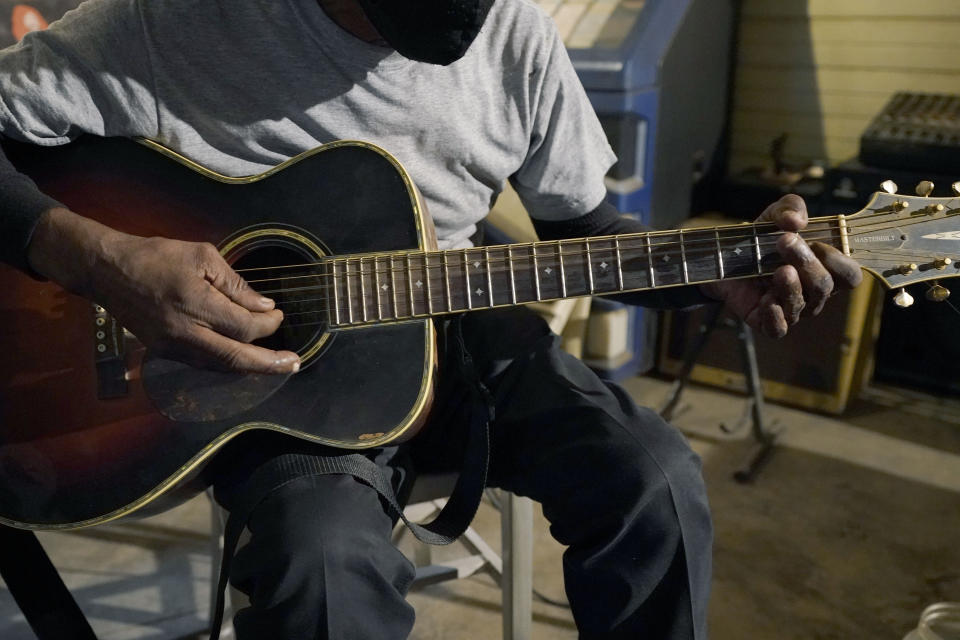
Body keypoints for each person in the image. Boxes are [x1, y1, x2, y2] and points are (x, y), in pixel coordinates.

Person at [0, 0, 862, 638]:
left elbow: (584, 232)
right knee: (325, 575)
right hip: (264, 379)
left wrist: (713, 279)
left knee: (658, 484)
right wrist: (100, 259)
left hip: (457, 326)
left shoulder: (512, 33)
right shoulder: (174, 21)